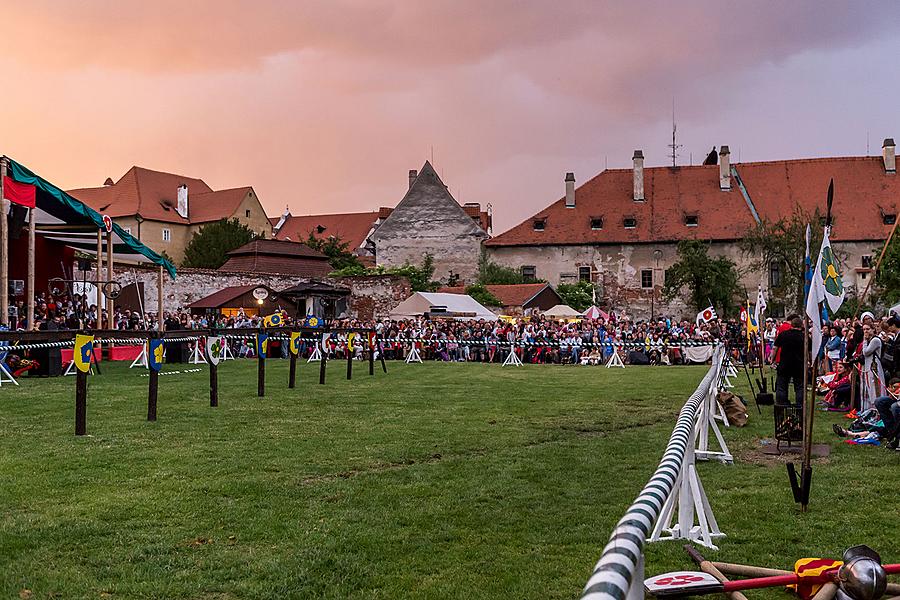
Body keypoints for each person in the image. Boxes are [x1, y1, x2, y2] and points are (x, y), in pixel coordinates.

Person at [773, 316, 805, 406]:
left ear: (791, 324)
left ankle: (782, 403)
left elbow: (775, 348)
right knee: (799, 386)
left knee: (782, 385)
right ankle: (800, 404)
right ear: (801, 325)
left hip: (785, 363)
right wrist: (809, 361)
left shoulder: (783, 335)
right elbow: (809, 351)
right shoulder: (804, 336)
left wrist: (772, 359)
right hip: (799, 364)